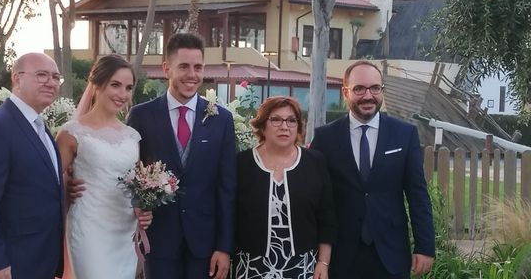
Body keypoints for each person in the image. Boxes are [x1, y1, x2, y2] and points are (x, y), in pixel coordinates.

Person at [126, 32, 237, 279]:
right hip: (159, 239)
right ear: (167, 68)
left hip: (205, 243)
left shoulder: (222, 120)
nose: (192, 74)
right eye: (184, 66)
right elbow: (128, 173)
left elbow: (227, 188)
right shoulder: (141, 116)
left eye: (198, 67)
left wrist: (224, 247)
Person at [311, 60, 435, 279]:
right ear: (345, 92)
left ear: (382, 90)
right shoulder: (325, 137)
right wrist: (320, 255)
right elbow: (316, 200)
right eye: (359, 88)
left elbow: (418, 194)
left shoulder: (404, 135)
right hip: (341, 255)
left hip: (391, 254)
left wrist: (425, 247)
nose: (368, 96)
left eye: (375, 88)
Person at [0, 52, 64, 279]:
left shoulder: (40, 127)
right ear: (17, 79)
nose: (51, 82)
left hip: (41, 259)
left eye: (55, 77)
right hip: (12, 263)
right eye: (41, 75)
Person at [56, 54, 151, 279]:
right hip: (89, 230)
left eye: (128, 88)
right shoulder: (72, 133)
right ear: (97, 84)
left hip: (124, 231)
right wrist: (66, 188)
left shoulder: (133, 137)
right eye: (115, 85)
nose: (122, 94)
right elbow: (48, 182)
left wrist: (145, 209)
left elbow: (138, 187)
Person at [234, 96, 337, 279]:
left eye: (291, 120)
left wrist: (323, 262)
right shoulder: (241, 164)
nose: (284, 126)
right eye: (276, 120)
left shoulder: (315, 163)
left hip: (303, 267)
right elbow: (229, 216)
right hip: (253, 267)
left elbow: (327, 217)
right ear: (262, 125)